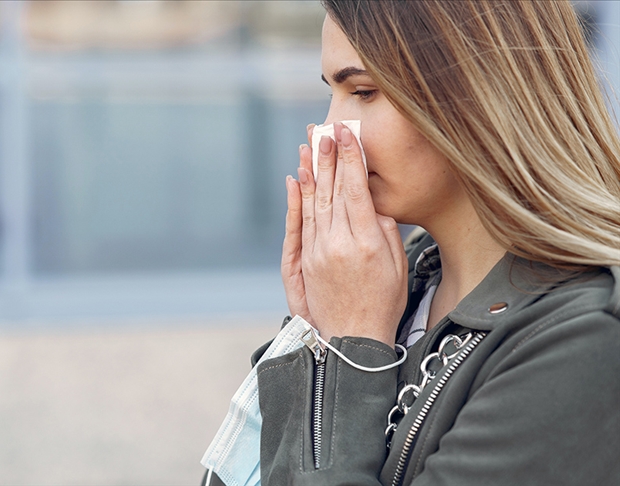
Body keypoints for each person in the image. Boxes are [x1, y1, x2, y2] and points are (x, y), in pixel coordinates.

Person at [201, 1, 620, 485]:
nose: (329, 133)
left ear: (480, 94)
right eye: (332, 93)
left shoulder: (585, 340)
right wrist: (315, 335)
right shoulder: (393, 284)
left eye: (363, 91)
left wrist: (349, 351)